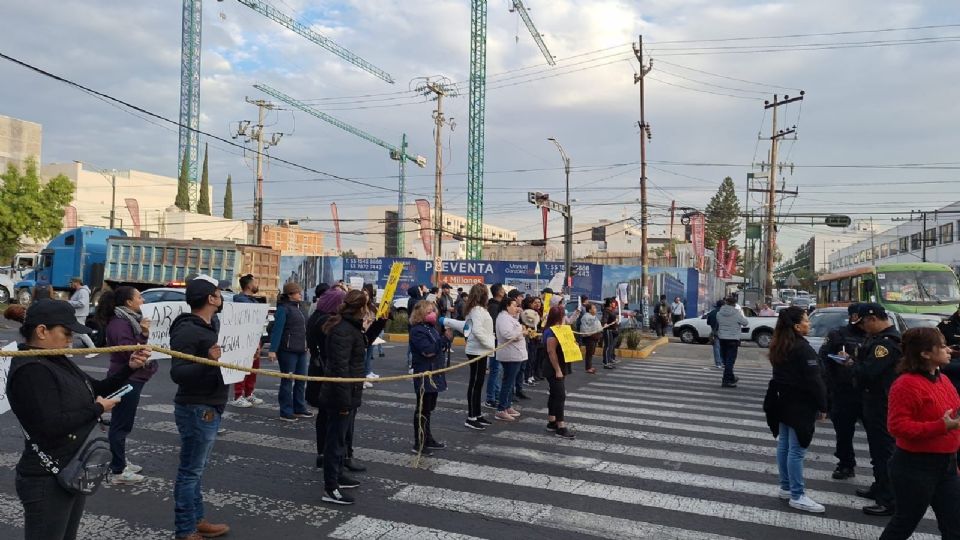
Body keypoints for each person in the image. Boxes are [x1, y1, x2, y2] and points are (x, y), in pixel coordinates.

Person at [7, 300, 149, 540]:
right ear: (42, 331)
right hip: (47, 477)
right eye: (66, 333)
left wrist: (129, 367)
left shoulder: (56, 359)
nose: (70, 340)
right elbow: (51, 425)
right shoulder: (31, 369)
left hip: (71, 467)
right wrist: (97, 409)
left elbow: (95, 387)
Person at [878, 327, 960, 539]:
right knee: (905, 522)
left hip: (947, 465)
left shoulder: (943, 379)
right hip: (915, 466)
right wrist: (942, 427)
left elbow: (952, 415)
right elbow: (897, 427)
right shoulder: (905, 384)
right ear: (925, 353)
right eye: (942, 347)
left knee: (955, 525)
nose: (948, 350)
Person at [168, 275, 231, 540]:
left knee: (196, 469)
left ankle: (197, 519)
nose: (221, 297)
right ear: (210, 299)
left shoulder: (210, 325)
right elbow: (178, 373)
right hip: (197, 406)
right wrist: (208, 359)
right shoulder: (187, 330)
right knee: (190, 472)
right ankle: (185, 530)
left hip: (211, 403)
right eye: (218, 293)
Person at [763, 306, 829, 513]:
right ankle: (797, 495)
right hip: (800, 404)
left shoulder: (779, 344)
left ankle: (786, 487)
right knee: (797, 449)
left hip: (781, 400)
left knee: (785, 444)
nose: (809, 324)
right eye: (806, 320)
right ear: (797, 326)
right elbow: (814, 380)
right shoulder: (802, 348)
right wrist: (823, 405)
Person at [318, 290, 373, 505]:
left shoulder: (350, 327)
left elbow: (363, 345)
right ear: (360, 308)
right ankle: (331, 488)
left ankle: (338, 474)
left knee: (341, 439)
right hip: (340, 395)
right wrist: (344, 403)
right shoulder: (343, 330)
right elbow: (340, 369)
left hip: (349, 393)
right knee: (335, 441)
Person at [103, 286, 156, 485]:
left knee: (123, 422)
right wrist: (143, 334)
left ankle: (120, 460)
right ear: (128, 303)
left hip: (133, 378)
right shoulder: (119, 323)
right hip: (125, 378)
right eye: (139, 297)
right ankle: (118, 470)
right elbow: (129, 353)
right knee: (121, 424)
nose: (143, 300)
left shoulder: (128, 320)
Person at [852, 303, 901, 516]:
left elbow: (868, 371)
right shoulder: (877, 340)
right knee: (876, 449)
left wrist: (850, 365)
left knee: (884, 451)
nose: (862, 327)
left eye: (863, 323)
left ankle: (888, 499)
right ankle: (879, 486)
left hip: (882, 402)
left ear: (873, 319)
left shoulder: (887, 343)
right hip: (873, 400)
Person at [818, 303, 868, 480]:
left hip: (868, 393)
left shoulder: (875, 336)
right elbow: (823, 360)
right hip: (843, 391)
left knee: (878, 436)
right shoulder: (838, 334)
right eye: (856, 316)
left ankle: (881, 474)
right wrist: (829, 387)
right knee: (844, 432)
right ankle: (845, 464)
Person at [408, 300, 451, 455]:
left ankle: (428, 438)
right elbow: (429, 351)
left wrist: (446, 340)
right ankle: (419, 443)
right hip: (425, 374)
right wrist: (444, 339)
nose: (433, 314)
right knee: (422, 409)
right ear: (420, 314)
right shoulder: (417, 331)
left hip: (435, 373)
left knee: (429, 408)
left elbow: (439, 348)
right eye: (428, 312)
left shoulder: (432, 328)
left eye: (433, 310)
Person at [269, 282, 313, 422]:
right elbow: (278, 330)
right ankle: (286, 411)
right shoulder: (283, 309)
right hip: (287, 350)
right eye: (297, 292)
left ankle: (299, 408)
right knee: (287, 382)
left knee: (301, 380)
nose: (300, 294)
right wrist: (272, 350)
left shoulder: (301, 307)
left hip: (302, 349)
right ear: (290, 295)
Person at [229, 274, 265, 408]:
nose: (257, 285)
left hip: (254, 338)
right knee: (243, 367)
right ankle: (238, 395)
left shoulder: (252, 301)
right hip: (244, 339)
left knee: (253, 368)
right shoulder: (241, 301)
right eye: (255, 282)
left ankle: (249, 394)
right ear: (249, 285)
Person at [463, 283, 495, 431]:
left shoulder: (480, 309)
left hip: (481, 350)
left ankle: (477, 414)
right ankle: (471, 417)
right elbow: (477, 331)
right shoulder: (476, 310)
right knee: (475, 383)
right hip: (476, 350)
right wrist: (490, 344)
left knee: (479, 383)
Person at [542, 306, 575, 439]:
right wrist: (558, 370)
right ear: (559, 317)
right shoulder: (551, 332)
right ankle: (560, 427)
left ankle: (552, 421)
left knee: (555, 394)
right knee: (560, 395)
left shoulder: (560, 330)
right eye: (563, 316)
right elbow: (551, 352)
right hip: (553, 368)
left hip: (560, 366)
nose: (565, 318)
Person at [494, 296, 527, 422]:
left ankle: (507, 406)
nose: (516, 307)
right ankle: (501, 409)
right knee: (508, 382)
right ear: (507, 306)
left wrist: (517, 316)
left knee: (510, 381)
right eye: (513, 305)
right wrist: (521, 334)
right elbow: (507, 334)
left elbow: (513, 327)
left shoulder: (508, 317)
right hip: (510, 354)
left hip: (514, 353)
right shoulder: (503, 318)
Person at [716, 295, 749, 388]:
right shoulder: (737, 313)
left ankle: (731, 377)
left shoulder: (719, 313)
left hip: (722, 338)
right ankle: (726, 380)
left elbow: (718, 322)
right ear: (734, 304)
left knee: (726, 360)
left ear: (726, 303)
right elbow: (745, 323)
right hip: (733, 339)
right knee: (730, 361)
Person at [484, 283, 507, 409]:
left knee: (499, 370)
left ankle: (496, 395)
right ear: (498, 292)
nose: (504, 291)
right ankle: (490, 397)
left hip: (499, 341)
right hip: (495, 341)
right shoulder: (493, 306)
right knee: (495, 370)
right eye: (503, 289)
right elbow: (494, 325)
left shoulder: (499, 305)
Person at [67, 277, 96, 350]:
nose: (70, 284)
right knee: (71, 332)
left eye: (71, 282)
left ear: (76, 282)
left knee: (81, 333)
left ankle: (93, 349)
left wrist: (69, 302)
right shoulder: (79, 291)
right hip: (77, 315)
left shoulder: (83, 291)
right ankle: (69, 351)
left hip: (80, 315)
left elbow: (82, 303)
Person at [580, 303, 602, 374]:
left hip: (594, 337)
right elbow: (585, 328)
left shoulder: (593, 316)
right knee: (589, 353)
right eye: (594, 308)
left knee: (591, 352)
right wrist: (590, 333)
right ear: (589, 310)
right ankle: (588, 368)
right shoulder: (586, 317)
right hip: (590, 337)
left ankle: (589, 366)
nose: (595, 309)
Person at [601, 298, 620, 369]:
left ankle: (608, 361)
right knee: (608, 346)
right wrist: (605, 323)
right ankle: (606, 362)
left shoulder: (611, 310)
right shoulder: (606, 311)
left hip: (612, 330)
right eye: (613, 302)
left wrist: (616, 320)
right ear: (610, 304)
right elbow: (604, 319)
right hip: (608, 330)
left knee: (610, 346)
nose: (614, 303)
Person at [706, 300, 724, 369]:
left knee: (716, 348)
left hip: (715, 332)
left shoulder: (712, 312)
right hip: (725, 332)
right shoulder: (724, 313)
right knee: (724, 347)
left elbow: (708, 322)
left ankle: (718, 363)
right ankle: (723, 361)